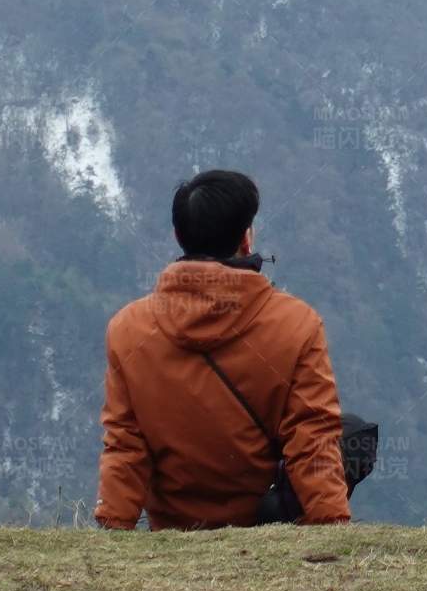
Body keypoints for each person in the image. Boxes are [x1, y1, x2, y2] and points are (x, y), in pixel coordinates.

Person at [95, 169, 351, 530]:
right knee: (351, 434)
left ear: (178, 236)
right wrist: (332, 526)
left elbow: (126, 445)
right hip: (265, 522)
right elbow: (312, 440)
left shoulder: (128, 330)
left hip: (172, 525)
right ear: (246, 239)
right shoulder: (297, 324)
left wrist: (113, 531)